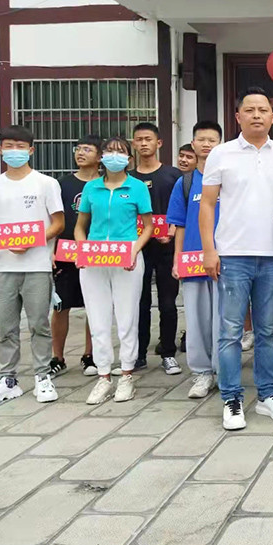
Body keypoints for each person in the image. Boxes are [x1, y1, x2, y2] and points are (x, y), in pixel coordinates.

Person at [201, 86, 273, 430]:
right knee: (230, 332)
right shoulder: (221, 154)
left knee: (269, 330)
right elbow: (207, 204)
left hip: (272, 255)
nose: (256, 115)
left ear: (272, 117)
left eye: (263, 110)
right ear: (238, 116)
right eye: (250, 110)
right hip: (232, 255)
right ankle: (232, 398)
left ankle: (268, 394)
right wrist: (209, 250)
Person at [0, 126, 65, 407]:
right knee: (6, 327)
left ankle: (42, 377)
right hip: (2, 267)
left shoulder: (46, 184)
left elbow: (58, 223)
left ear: (31, 150)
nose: (14, 151)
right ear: (0, 150)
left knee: (39, 324)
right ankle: (7, 380)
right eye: (9, 146)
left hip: (37, 266)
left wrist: (32, 241)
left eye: (20, 146)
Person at [75, 136, 154, 405]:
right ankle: (103, 376)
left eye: (120, 152)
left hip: (126, 259)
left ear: (129, 159)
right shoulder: (91, 188)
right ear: (101, 157)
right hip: (94, 260)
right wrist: (82, 249)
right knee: (97, 319)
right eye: (109, 151)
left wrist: (135, 250)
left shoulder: (137, 187)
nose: (114, 156)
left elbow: (148, 226)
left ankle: (127, 375)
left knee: (127, 317)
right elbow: (80, 226)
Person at [168, 121, 223, 399]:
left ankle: (223, 371)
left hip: (225, 259)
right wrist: (177, 259)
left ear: (220, 144)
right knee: (197, 319)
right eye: (201, 139)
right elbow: (179, 224)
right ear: (193, 144)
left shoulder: (227, 179)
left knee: (224, 319)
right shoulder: (185, 182)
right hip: (193, 260)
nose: (206, 144)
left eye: (212, 140)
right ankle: (202, 373)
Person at [132, 122, 183, 375]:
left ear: (159, 143)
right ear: (134, 144)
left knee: (168, 303)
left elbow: (181, 209)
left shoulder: (173, 176)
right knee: (139, 303)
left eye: (148, 139)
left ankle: (168, 353)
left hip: (167, 246)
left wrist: (172, 230)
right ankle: (138, 354)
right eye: (139, 139)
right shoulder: (129, 179)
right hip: (137, 248)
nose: (144, 143)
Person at [48, 135, 100, 378]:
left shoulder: (105, 184)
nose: (80, 153)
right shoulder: (62, 184)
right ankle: (57, 357)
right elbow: (53, 219)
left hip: (97, 254)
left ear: (100, 157)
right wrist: (51, 251)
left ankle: (90, 355)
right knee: (61, 306)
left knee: (94, 306)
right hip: (65, 253)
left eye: (87, 149)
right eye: (78, 149)